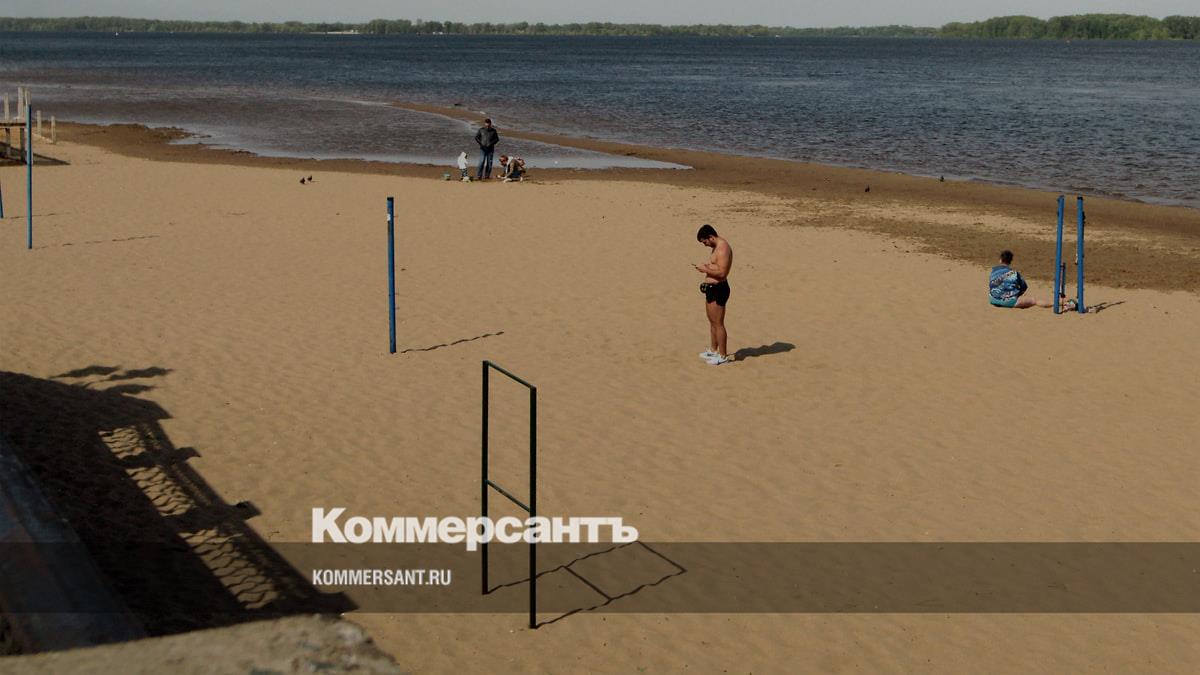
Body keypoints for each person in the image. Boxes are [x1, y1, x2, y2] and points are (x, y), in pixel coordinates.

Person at [694, 224, 733, 365]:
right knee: (712, 321)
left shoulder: (723, 249)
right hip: (711, 288)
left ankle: (723, 356)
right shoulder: (715, 247)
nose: (705, 245)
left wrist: (705, 270)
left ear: (711, 237)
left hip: (719, 289)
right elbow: (717, 266)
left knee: (718, 323)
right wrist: (708, 267)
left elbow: (722, 273)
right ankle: (713, 350)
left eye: (705, 242)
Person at [989, 250, 1068, 309]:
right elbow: (1024, 287)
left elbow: (992, 285)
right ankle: (1059, 303)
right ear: (1010, 261)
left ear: (1000, 260)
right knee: (1034, 300)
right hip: (1009, 302)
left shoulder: (993, 271)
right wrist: (1018, 294)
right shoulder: (1015, 273)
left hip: (993, 299)